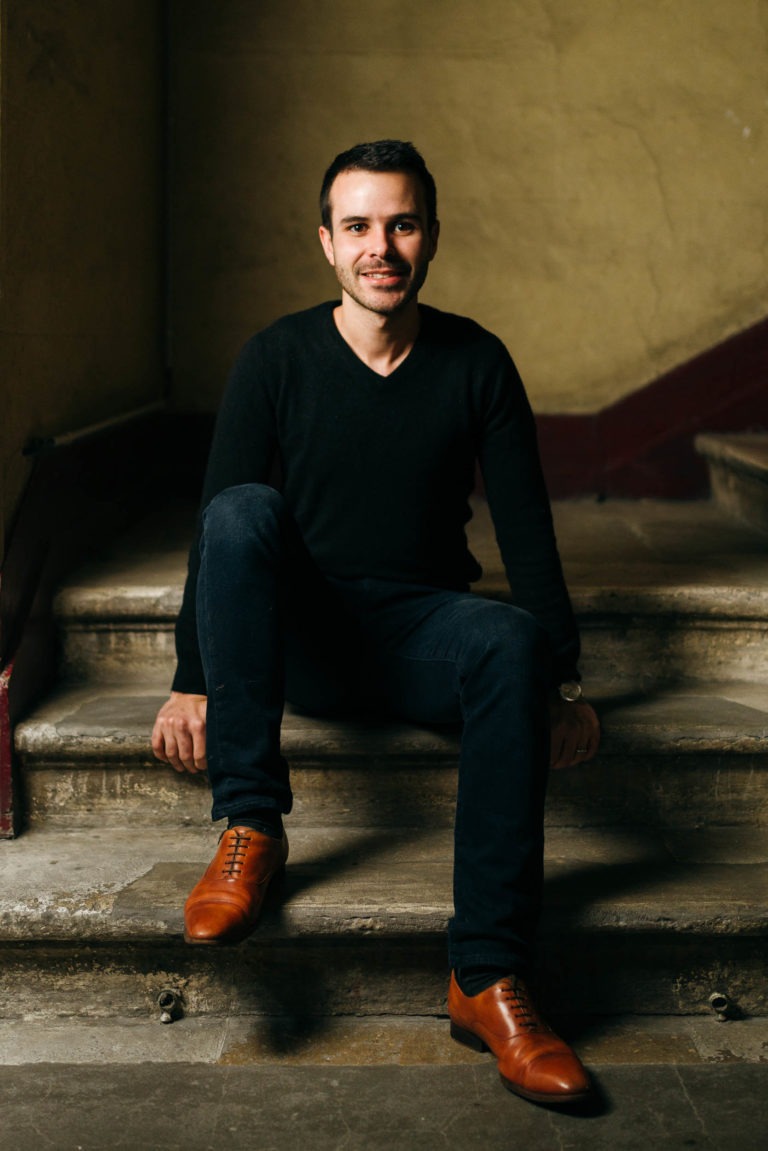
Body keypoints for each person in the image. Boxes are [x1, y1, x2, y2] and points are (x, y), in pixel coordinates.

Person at [152, 140, 601, 1106]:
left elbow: (527, 531)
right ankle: (249, 825)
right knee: (240, 510)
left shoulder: (476, 360)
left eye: (400, 224)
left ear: (430, 236)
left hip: (419, 638)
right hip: (301, 638)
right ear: (326, 242)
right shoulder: (274, 358)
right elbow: (215, 537)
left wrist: (559, 678)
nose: (380, 247)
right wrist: (195, 673)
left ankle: (485, 975)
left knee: (509, 640)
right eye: (358, 226)